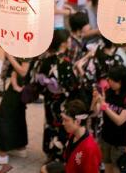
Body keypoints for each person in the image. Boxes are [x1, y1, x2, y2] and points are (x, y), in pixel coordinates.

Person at [39, 30, 77, 162]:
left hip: (49, 99)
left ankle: (50, 153)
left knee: (50, 124)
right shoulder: (65, 63)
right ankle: (59, 156)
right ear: (63, 44)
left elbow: (40, 79)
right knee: (61, 126)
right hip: (62, 101)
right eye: (69, 40)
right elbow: (72, 86)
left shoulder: (46, 59)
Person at [0, 53, 30, 165]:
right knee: (17, 115)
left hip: (20, 85)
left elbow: (23, 71)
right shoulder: (31, 45)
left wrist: (10, 57)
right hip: (21, 84)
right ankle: (20, 147)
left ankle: (2, 154)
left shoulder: (28, 45)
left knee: (4, 116)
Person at [91, 65, 126, 173]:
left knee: (117, 168)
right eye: (109, 79)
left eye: (112, 80)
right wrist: (95, 101)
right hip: (106, 137)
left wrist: (104, 105)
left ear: (121, 82)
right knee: (107, 167)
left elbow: (120, 121)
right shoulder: (108, 92)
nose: (109, 82)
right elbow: (94, 113)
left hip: (120, 141)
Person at [42, 100, 101, 173]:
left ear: (77, 121)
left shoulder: (89, 148)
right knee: (44, 169)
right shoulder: (73, 135)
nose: (63, 123)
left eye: (66, 120)